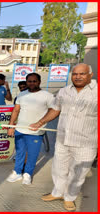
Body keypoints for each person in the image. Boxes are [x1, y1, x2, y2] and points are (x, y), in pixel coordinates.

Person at [30, 63, 97, 211]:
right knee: (58, 168)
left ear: (90, 75)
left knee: (78, 173)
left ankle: (69, 197)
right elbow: (55, 109)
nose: (78, 76)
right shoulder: (64, 91)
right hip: (62, 139)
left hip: (86, 142)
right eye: (75, 74)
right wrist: (40, 122)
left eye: (82, 74)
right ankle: (58, 192)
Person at [6, 73, 54, 185]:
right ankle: (17, 172)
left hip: (35, 132)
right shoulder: (21, 95)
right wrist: (11, 126)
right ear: (26, 82)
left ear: (39, 82)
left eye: (34, 81)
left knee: (32, 154)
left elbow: (53, 111)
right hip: (20, 129)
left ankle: (28, 174)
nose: (32, 83)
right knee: (20, 153)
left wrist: (41, 123)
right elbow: (16, 111)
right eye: (29, 81)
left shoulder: (47, 96)